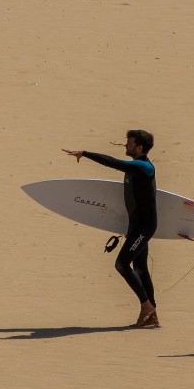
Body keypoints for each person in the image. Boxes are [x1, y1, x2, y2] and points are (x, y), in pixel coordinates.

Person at [62, 130, 159, 327]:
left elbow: (112, 163)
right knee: (140, 268)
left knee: (122, 264)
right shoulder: (136, 168)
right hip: (135, 225)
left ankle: (146, 306)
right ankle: (153, 316)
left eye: (129, 143)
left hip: (144, 227)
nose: (125, 146)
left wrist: (85, 153)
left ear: (140, 148)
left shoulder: (143, 167)